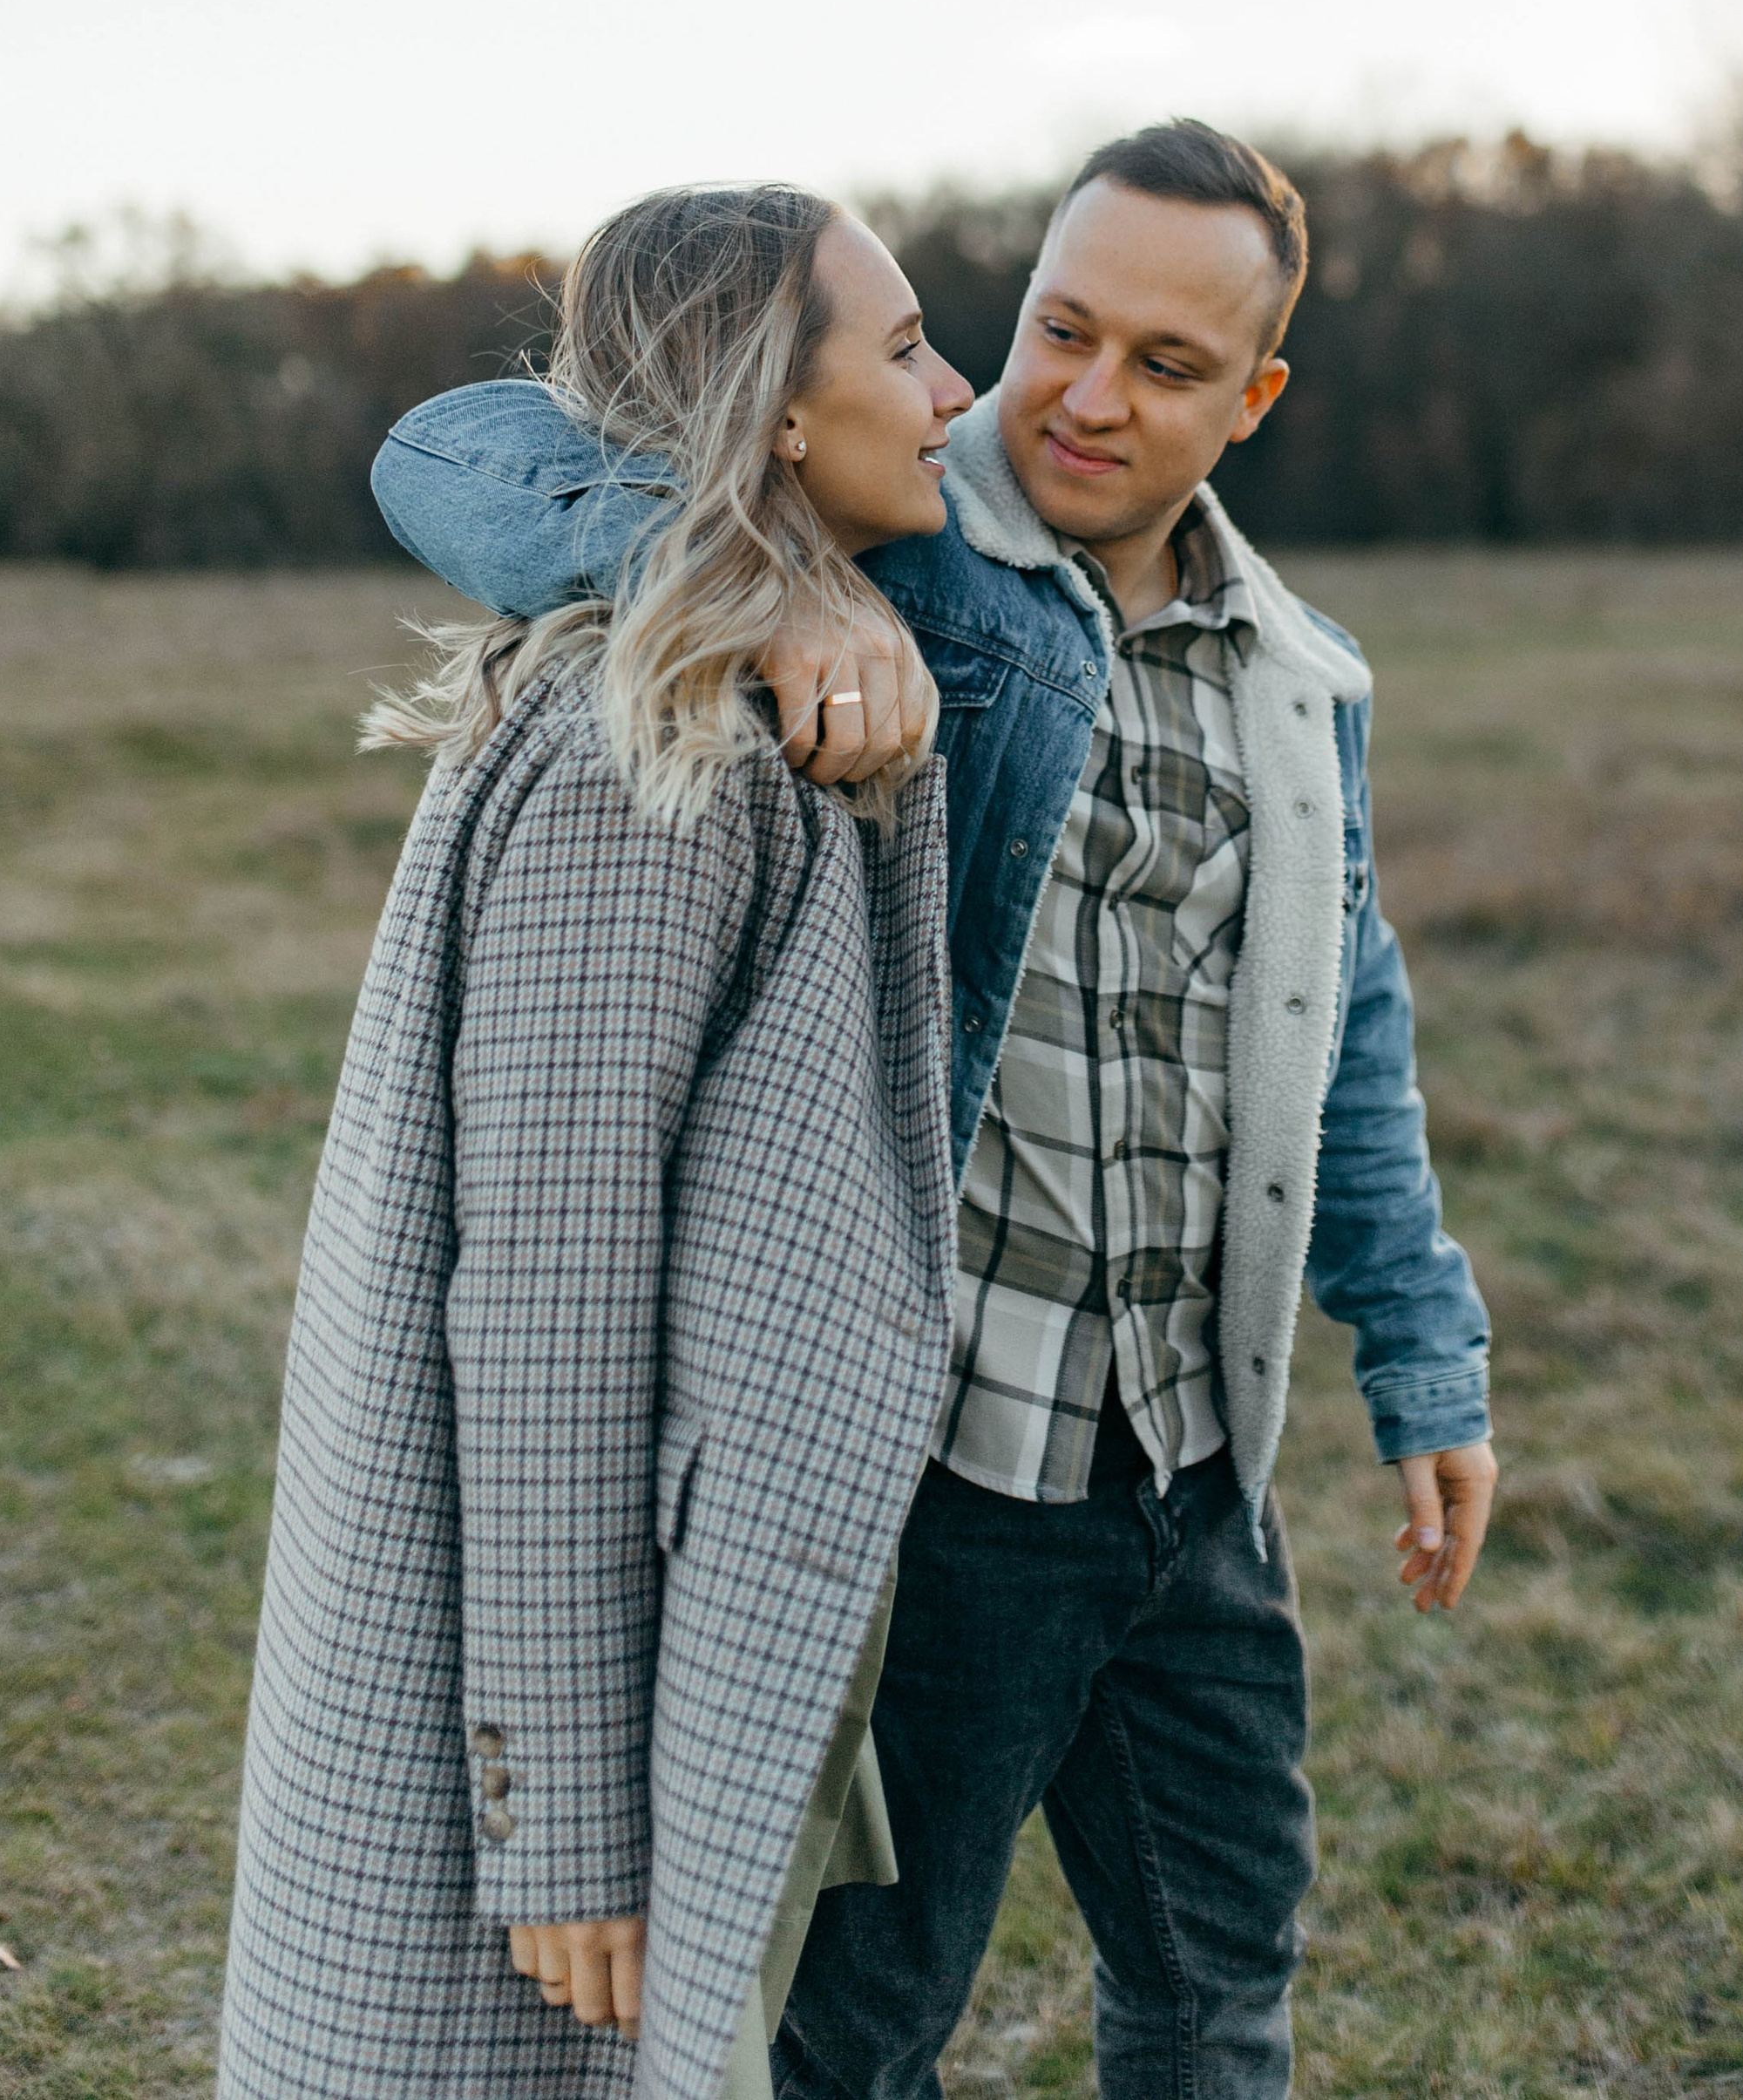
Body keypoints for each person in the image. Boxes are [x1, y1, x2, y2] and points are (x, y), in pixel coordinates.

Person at [372, 121, 1497, 2100]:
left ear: (1253, 398)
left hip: (1192, 1468)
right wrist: (736, 572)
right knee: (860, 2029)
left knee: (1221, 1985)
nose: (1077, 394)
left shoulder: (1301, 678)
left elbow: (1351, 1024)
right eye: (1058, 325)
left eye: (1163, 363)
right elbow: (442, 454)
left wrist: (1425, 1358)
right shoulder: (889, 541)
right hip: (945, 1476)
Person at [217, 183, 975, 2100]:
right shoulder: (656, 759)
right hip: (565, 1693)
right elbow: (543, 1313)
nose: (952, 386)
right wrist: (551, 1813)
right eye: (901, 348)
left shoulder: (742, 695)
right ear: (774, 415)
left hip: (693, 1600)